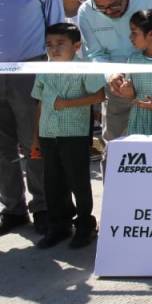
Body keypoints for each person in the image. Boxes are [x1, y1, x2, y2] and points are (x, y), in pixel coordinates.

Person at [0, 0, 65, 236]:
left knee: (34, 143)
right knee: (1, 148)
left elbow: (58, 27)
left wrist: (56, 72)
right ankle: (13, 209)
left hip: (29, 72)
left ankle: (42, 206)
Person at [30, 23, 105, 248]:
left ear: (77, 45)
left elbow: (99, 95)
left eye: (60, 44)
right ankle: (59, 225)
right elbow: (41, 103)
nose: (54, 49)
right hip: (48, 133)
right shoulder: (44, 68)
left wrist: (68, 103)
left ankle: (85, 225)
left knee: (78, 180)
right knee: (52, 182)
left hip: (74, 133)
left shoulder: (85, 68)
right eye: (49, 45)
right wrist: (35, 138)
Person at [78, 0, 152, 143]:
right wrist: (111, 74)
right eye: (101, 7)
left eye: (114, 5)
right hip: (116, 86)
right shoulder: (86, 11)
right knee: (115, 144)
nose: (108, 12)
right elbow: (95, 53)